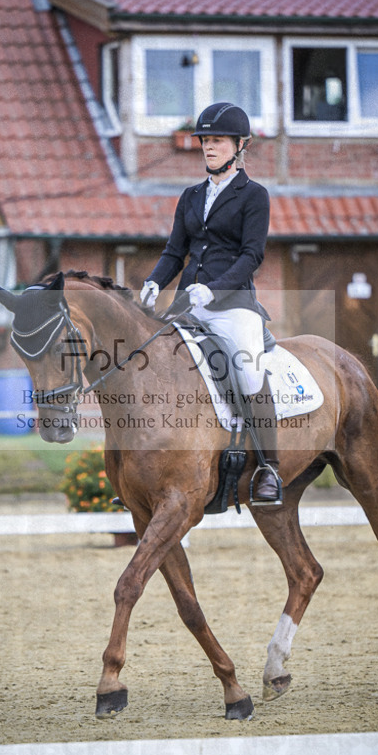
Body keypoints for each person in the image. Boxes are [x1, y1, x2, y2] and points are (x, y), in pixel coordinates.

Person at [140, 101, 282, 505]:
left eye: (217, 141)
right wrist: (154, 282)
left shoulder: (254, 195)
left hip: (233, 305)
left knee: (250, 373)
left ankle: (269, 467)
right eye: (205, 140)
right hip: (187, 303)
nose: (208, 147)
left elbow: (251, 256)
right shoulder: (190, 196)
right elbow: (174, 252)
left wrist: (214, 289)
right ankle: (150, 472)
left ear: (240, 145)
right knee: (153, 364)